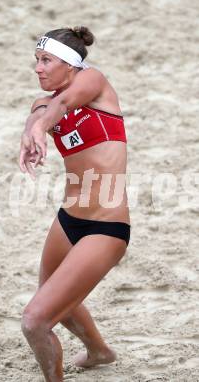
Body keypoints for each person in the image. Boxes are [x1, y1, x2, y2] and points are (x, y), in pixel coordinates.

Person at [19, 26, 131, 382]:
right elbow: (40, 112)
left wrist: (41, 128)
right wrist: (30, 130)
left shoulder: (94, 82)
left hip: (106, 227)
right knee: (56, 303)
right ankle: (100, 352)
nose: (38, 68)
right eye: (36, 60)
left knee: (36, 320)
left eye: (46, 60)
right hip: (68, 220)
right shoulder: (46, 99)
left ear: (69, 64)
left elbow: (65, 104)